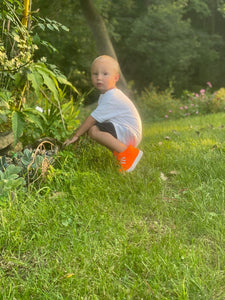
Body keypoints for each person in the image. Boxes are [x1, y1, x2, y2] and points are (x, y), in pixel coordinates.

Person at [63, 55, 143, 172]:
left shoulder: (112, 96)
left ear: (116, 78)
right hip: (126, 131)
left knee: (94, 130)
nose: (99, 78)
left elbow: (92, 119)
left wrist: (76, 135)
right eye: (95, 74)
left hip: (129, 133)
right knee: (96, 130)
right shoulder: (107, 95)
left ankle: (128, 154)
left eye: (105, 74)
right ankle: (121, 156)